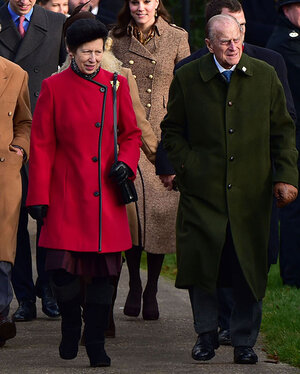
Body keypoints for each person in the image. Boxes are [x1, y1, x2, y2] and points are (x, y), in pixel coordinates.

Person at [161, 14, 298, 365]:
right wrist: (189, 167)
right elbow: (172, 131)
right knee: (203, 266)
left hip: (252, 196)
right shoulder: (189, 77)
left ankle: (244, 341)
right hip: (202, 195)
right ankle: (205, 336)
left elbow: (283, 132)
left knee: (248, 267)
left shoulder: (264, 75)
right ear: (208, 45)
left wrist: (286, 177)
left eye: (236, 39)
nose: (233, 46)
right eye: (224, 41)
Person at [26, 18, 141, 367]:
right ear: (70, 52)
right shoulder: (53, 86)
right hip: (66, 192)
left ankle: (95, 341)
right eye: (85, 52)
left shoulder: (117, 85)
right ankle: (69, 323)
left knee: (105, 273)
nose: (92, 58)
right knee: (62, 270)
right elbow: (42, 144)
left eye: (97, 51)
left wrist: (127, 163)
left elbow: (132, 134)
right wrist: (38, 196)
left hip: (106, 194)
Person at [60, 4, 159, 338]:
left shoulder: (119, 79)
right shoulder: (59, 80)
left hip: (113, 177)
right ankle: (84, 308)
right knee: (73, 254)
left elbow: (138, 128)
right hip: (73, 181)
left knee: (113, 247)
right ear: (72, 47)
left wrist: (159, 162)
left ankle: (105, 311)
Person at [110, 0, 190, 321]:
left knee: (159, 213)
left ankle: (153, 286)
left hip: (163, 134)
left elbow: (187, 85)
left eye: (147, 1)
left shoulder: (176, 37)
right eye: (134, 2)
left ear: (157, 3)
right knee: (133, 212)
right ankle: (133, 281)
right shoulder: (113, 38)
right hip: (127, 134)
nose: (140, 7)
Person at [0, 0, 66, 321]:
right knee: (12, 222)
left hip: (46, 133)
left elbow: (68, 74)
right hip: (9, 141)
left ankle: (48, 289)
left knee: (47, 217)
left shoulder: (57, 23)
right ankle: (24, 297)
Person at [267, 0, 300, 289]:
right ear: (286, 9)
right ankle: (292, 273)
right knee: (292, 206)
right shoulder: (283, 42)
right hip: (294, 136)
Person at [0, 57, 31, 348]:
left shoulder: (15, 73)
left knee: (2, 248)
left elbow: (24, 121)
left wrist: (20, 148)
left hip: (4, 170)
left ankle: (0, 315)